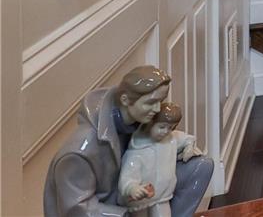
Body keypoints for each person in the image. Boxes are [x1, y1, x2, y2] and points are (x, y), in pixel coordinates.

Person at [43, 65, 213, 217]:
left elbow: (152, 150)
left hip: (137, 194)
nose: (157, 109)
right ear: (125, 100)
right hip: (111, 209)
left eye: (160, 102)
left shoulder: (141, 123)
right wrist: (123, 214)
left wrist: (176, 149)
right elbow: (75, 209)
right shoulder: (81, 151)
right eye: (151, 103)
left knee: (200, 166)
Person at [118, 102, 200, 217]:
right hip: (140, 200)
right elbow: (127, 177)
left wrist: (189, 147)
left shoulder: (171, 139)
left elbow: (186, 139)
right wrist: (132, 188)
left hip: (163, 196)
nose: (166, 131)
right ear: (150, 124)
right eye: (162, 127)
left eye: (170, 128)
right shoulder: (137, 151)